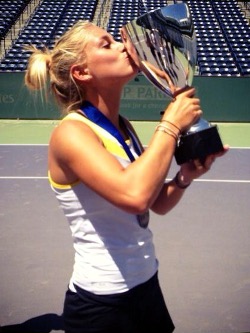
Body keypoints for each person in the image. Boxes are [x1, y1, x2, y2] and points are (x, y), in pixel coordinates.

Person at [25, 21, 228, 333]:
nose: (124, 45)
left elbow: (154, 202)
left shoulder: (124, 127)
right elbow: (134, 197)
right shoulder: (71, 133)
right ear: (82, 73)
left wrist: (184, 177)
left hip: (146, 284)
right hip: (102, 304)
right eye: (107, 44)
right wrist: (171, 124)